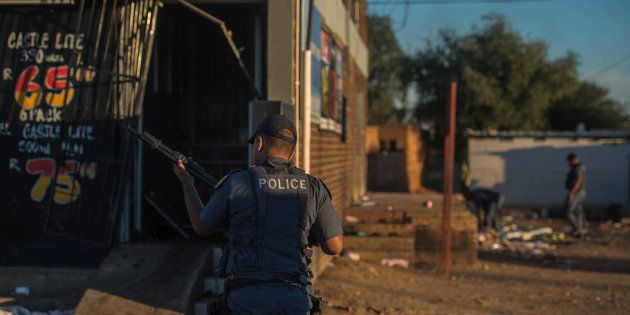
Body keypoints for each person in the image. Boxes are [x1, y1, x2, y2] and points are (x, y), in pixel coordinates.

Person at [173, 114, 344, 314]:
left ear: (260, 143)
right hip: (293, 298)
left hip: (245, 298)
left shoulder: (237, 183)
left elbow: (201, 227)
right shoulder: (313, 187)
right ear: (292, 153)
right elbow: (334, 246)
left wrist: (187, 185)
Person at [565, 152, 587, 236]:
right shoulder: (578, 167)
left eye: (570, 160)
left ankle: (578, 228)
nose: (569, 163)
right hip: (579, 192)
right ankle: (580, 228)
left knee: (568, 211)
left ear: (574, 160)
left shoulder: (578, 168)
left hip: (577, 192)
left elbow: (578, 181)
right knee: (578, 211)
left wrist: (571, 193)